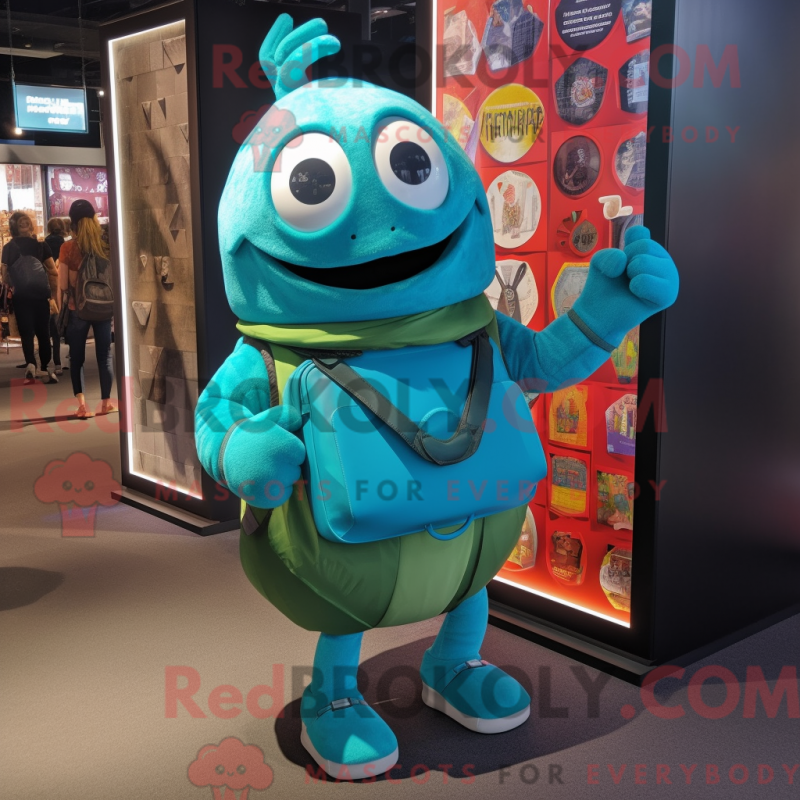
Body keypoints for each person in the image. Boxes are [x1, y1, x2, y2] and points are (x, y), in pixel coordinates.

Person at [58, 200, 116, 418]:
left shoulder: (68, 248)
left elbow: (63, 284)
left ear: (72, 222)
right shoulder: (105, 246)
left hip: (77, 310)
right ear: (94, 219)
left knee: (77, 358)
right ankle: (106, 403)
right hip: (103, 307)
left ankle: (82, 406)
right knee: (104, 356)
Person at [0, 212, 57, 383]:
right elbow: (53, 271)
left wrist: (14, 282)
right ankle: (44, 368)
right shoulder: (41, 245)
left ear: (12, 228)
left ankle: (31, 364)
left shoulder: (8, 248)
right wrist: (53, 295)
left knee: (27, 333)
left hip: (21, 297)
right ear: (31, 225)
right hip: (41, 295)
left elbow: (5, 276)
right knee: (43, 333)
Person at [45, 217, 66, 375]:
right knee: (59, 323)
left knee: (48, 325)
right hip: (60, 285)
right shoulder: (64, 244)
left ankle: (46, 362)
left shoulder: (44, 243)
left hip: (47, 285)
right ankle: (59, 362)